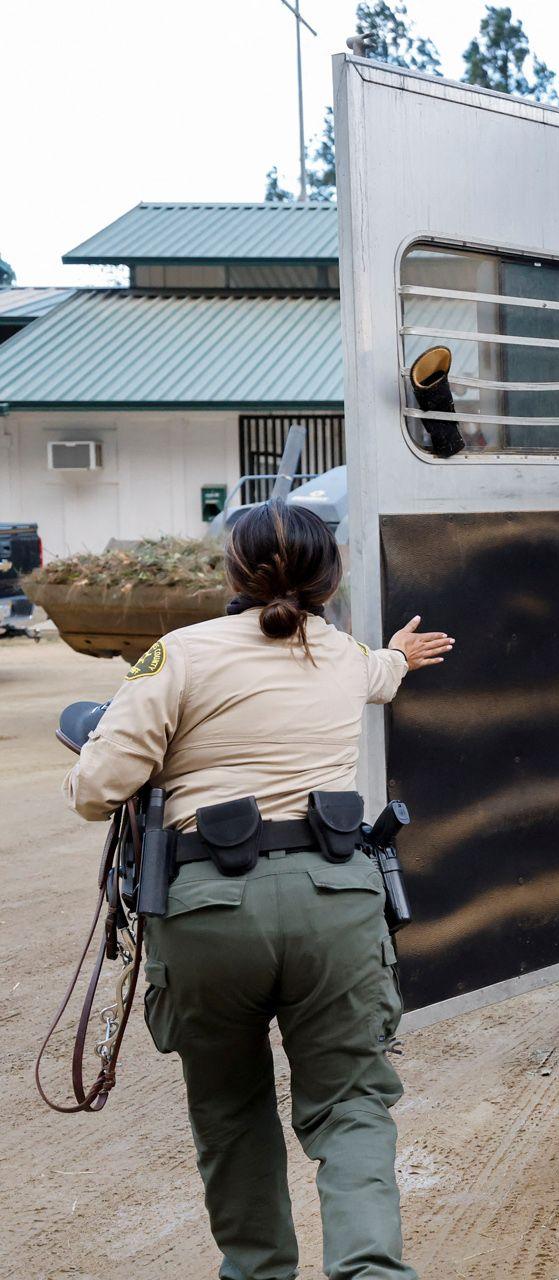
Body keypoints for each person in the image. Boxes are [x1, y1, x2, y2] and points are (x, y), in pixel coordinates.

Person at [63, 500, 453, 1280]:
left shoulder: (178, 654)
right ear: (329, 577)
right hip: (336, 903)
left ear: (233, 573)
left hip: (210, 911)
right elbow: (379, 674)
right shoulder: (343, 654)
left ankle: (258, 1270)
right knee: (350, 1106)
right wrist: (399, 657)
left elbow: (96, 790)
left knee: (233, 1113)